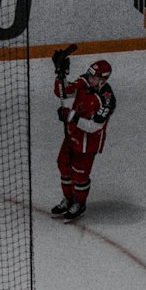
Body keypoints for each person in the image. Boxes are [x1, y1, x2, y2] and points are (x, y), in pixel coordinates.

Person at [52, 54, 116, 222]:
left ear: (103, 80)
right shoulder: (84, 81)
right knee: (63, 166)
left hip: (88, 143)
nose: (90, 79)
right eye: (90, 75)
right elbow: (63, 93)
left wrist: (71, 116)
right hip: (72, 134)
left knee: (80, 175)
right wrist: (60, 74)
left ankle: (79, 203)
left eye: (94, 77)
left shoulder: (107, 100)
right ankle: (68, 199)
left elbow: (94, 126)